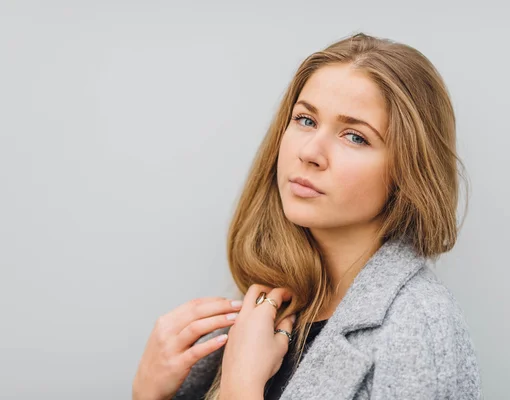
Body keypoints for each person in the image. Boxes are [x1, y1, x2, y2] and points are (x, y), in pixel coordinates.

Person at [132, 32, 482, 400]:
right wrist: (148, 394)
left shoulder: (418, 325)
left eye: (355, 137)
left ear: (408, 172)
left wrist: (241, 389)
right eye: (305, 120)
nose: (311, 152)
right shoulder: (271, 302)